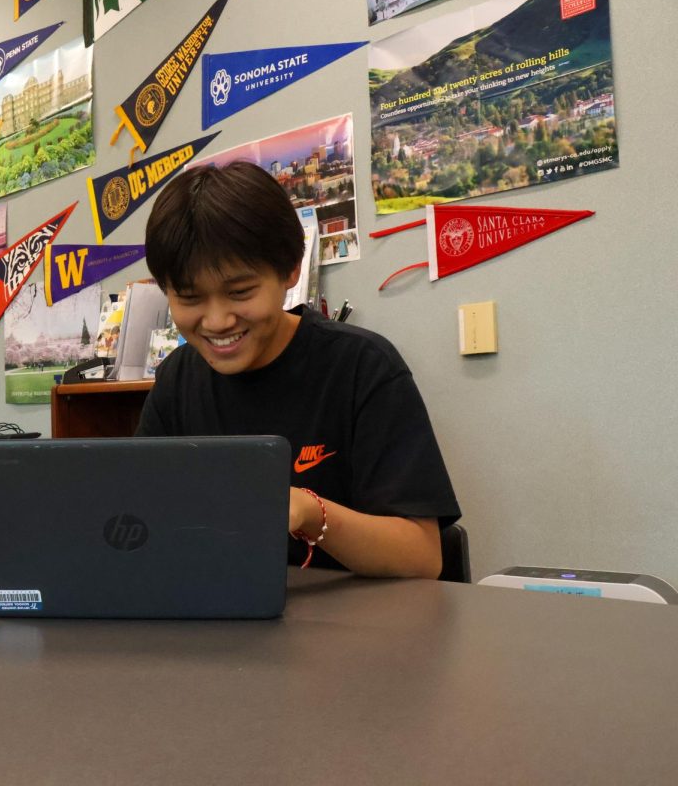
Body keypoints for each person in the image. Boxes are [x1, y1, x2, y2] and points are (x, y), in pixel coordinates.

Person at [136, 161, 460, 578]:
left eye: (240, 292)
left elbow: (421, 558)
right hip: (224, 621)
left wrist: (311, 512)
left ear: (290, 269)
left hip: (359, 628)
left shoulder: (362, 368)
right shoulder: (177, 379)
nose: (216, 321)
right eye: (189, 298)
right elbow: (142, 518)